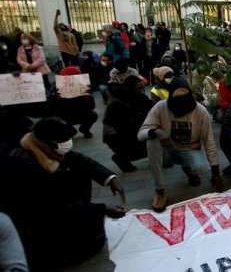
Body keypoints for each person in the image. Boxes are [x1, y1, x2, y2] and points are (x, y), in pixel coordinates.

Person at [0, 118, 126, 271]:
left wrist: (109, 178)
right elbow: (54, 205)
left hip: (58, 204)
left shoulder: (40, 143)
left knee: (79, 171)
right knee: (84, 245)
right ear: (50, 145)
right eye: (59, 152)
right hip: (36, 223)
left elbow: (77, 159)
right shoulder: (20, 165)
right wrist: (102, 209)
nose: (62, 156)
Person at [138, 77, 223, 212]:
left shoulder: (200, 111)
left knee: (202, 169)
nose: (182, 103)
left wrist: (215, 172)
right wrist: (157, 133)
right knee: (151, 141)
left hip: (189, 149)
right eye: (178, 99)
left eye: (185, 97)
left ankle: (189, 169)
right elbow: (141, 133)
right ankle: (160, 190)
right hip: (167, 149)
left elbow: (209, 141)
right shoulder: (161, 107)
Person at [104, 75, 155, 172]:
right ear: (130, 89)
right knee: (145, 145)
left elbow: (151, 109)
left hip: (132, 128)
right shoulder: (117, 104)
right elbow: (123, 127)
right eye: (138, 89)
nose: (141, 91)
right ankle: (121, 158)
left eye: (142, 88)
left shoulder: (140, 97)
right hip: (115, 134)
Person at [53, 66, 98, 139]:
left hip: (81, 113)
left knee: (93, 115)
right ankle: (69, 131)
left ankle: (85, 129)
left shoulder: (84, 88)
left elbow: (92, 106)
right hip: (65, 115)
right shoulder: (57, 88)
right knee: (55, 120)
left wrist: (88, 96)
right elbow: (54, 109)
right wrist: (56, 97)